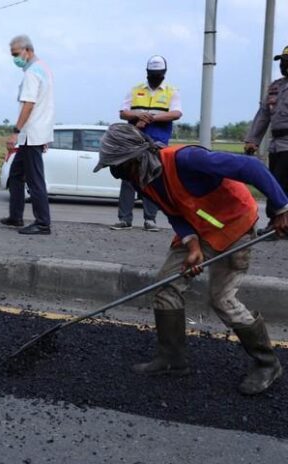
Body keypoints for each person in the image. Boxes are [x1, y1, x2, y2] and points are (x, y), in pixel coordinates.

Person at [94, 123, 288, 395]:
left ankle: (267, 363)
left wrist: (281, 208)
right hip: (197, 230)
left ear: (137, 157)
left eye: (119, 167)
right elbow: (174, 213)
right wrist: (192, 245)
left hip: (234, 227)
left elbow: (250, 167)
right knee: (166, 286)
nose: (119, 175)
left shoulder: (187, 159)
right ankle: (172, 360)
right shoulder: (142, 178)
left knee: (223, 300)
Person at [113, 55, 182, 232]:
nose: (155, 77)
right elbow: (123, 113)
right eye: (152, 73)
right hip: (134, 139)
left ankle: (150, 219)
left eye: (158, 74)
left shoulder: (171, 91)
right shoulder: (135, 90)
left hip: (157, 141)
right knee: (129, 178)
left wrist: (151, 118)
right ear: (147, 72)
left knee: (152, 178)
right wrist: (137, 115)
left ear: (164, 73)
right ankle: (124, 219)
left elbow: (176, 113)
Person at [1, 34, 55, 235]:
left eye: (16, 54)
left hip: (31, 134)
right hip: (35, 133)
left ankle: (42, 223)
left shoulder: (32, 72)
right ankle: (16, 217)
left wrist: (15, 132)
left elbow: (29, 104)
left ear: (27, 50)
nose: (14, 58)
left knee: (34, 180)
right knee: (16, 174)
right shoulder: (44, 68)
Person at [245, 45, 288, 234]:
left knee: (278, 182)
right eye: (283, 61)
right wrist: (252, 140)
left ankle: (277, 225)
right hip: (277, 144)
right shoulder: (275, 87)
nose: (284, 65)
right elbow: (263, 115)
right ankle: (277, 224)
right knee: (274, 182)